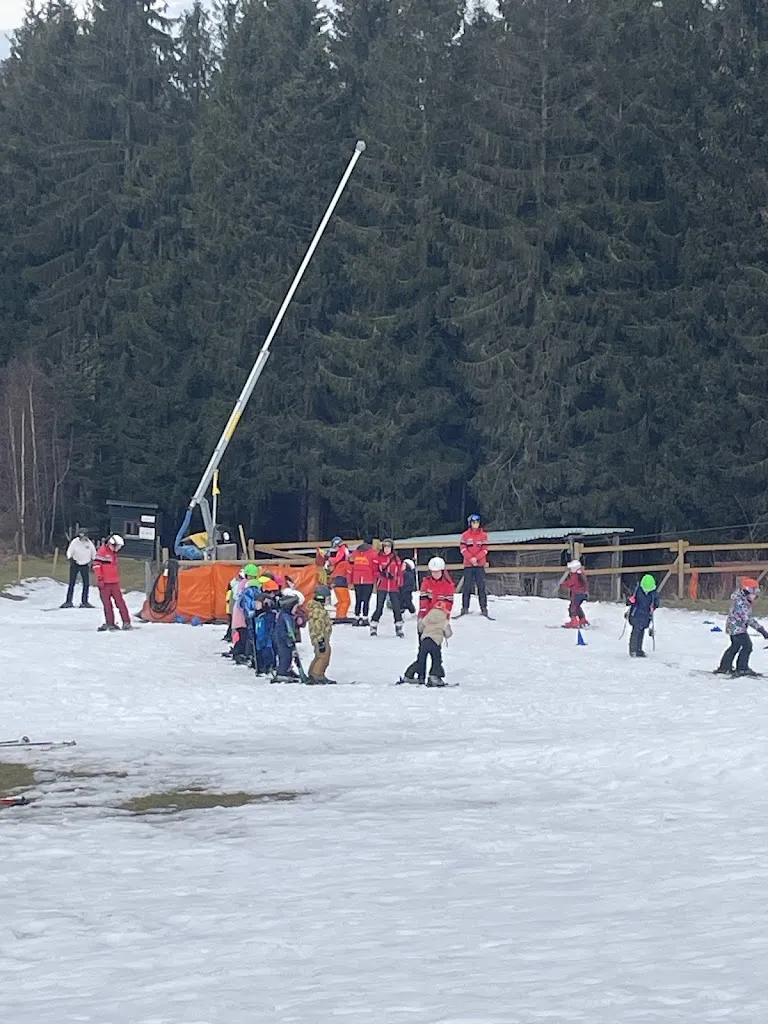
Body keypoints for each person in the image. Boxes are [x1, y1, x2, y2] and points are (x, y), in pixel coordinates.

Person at [714, 577, 768, 677]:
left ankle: (725, 667)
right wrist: (761, 630)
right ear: (746, 591)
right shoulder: (741, 603)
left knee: (735, 647)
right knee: (747, 646)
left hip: (735, 628)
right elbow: (748, 619)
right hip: (737, 629)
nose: (755, 596)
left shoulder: (742, 600)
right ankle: (742, 668)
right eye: (753, 593)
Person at [403, 606, 452, 686]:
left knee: (421, 660)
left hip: (425, 641)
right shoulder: (444, 620)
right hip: (435, 642)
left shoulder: (428, 617)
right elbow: (448, 634)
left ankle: (411, 675)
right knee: (436, 660)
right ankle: (434, 677)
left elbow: (420, 627)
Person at [94, 534, 131, 632]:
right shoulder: (102, 552)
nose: (119, 549)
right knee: (107, 604)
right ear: (112, 544)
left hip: (114, 582)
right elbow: (97, 566)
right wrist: (100, 578)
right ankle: (110, 623)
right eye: (118, 547)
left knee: (120, 603)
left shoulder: (114, 553)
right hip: (105, 583)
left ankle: (126, 621)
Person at [457, 514, 490, 617]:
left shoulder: (484, 535)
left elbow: (485, 549)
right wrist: (470, 558)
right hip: (468, 564)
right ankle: (465, 608)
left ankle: (484, 608)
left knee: (481, 586)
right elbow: (463, 548)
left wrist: (477, 558)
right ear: (470, 523)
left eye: (477, 522)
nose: (475, 524)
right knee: (467, 586)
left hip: (479, 564)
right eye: (473, 522)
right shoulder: (465, 535)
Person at [370, 538, 404, 637]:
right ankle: (373, 625)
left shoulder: (396, 559)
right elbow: (374, 570)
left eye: (388, 547)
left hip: (393, 586)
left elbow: (400, 572)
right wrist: (381, 575)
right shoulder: (378, 557)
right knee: (379, 607)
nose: (386, 549)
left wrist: (399, 583)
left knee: (396, 608)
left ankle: (399, 627)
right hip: (382, 585)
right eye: (385, 547)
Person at [306, 584, 336, 684]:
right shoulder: (318, 611)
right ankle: (317, 674)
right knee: (324, 656)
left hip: (321, 637)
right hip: (320, 637)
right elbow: (317, 625)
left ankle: (312, 672)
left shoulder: (318, 609)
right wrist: (321, 639)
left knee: (319, 655)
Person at [60, 529, 97, 608]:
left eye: (83, 535)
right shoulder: (75, 542)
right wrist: (70, 558)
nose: (82, 537)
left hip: (85, 565)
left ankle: (84, 602)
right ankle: (68, 601)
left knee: (86, 584)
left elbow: (94, 553)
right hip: (75, 564)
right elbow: (69, 551)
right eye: (80, 535)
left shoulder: (89, 543)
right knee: (72, 583)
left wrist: (94, 562)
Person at [626, 574, 660, 657]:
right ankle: (633, 650)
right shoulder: (636, 591)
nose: (647, 591)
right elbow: (628, 602)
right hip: (636, 614)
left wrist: (654, 606)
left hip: (645, 616)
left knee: (641, 632)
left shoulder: (653, 593)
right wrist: (630, 601)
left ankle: (639, 649)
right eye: (645, 589)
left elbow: (656, 602)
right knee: (636, 631)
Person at [273, 592, 301, 681]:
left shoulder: (287, 616)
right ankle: (282, 672)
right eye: (295, 607)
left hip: (284, 640)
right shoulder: (285, 617)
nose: (296, 609)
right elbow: (285, 630)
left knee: (288, 656)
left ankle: (287, 670)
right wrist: (289, 639)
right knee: (285, 656)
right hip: (283, 640)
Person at [351, 537, 377, 625]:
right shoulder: (373, 553)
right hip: (368, 579)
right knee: (366, 600)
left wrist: (350, 578)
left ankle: (357, 617)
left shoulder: (355, 553)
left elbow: (351, 565)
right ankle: (365, 617)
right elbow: (375, 567)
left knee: (358, 599)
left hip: (357, 579)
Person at [326, 537, 353, 621]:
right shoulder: (343, 557)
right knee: (345, 601)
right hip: (341, 580)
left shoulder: (342, 551)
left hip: (338, 579)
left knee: (342, 601)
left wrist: (329, 559)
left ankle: (339, 615)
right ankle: (341, 616)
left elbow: (337, 560)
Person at [560, 559, 589, 628]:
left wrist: (563, 585)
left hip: (577, 594)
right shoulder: (582, 575)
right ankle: (582, 619)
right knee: (577, 607)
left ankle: (574, 621)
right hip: (583, 594)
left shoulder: (575, 576)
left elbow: (570, 583)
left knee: (572, 608)